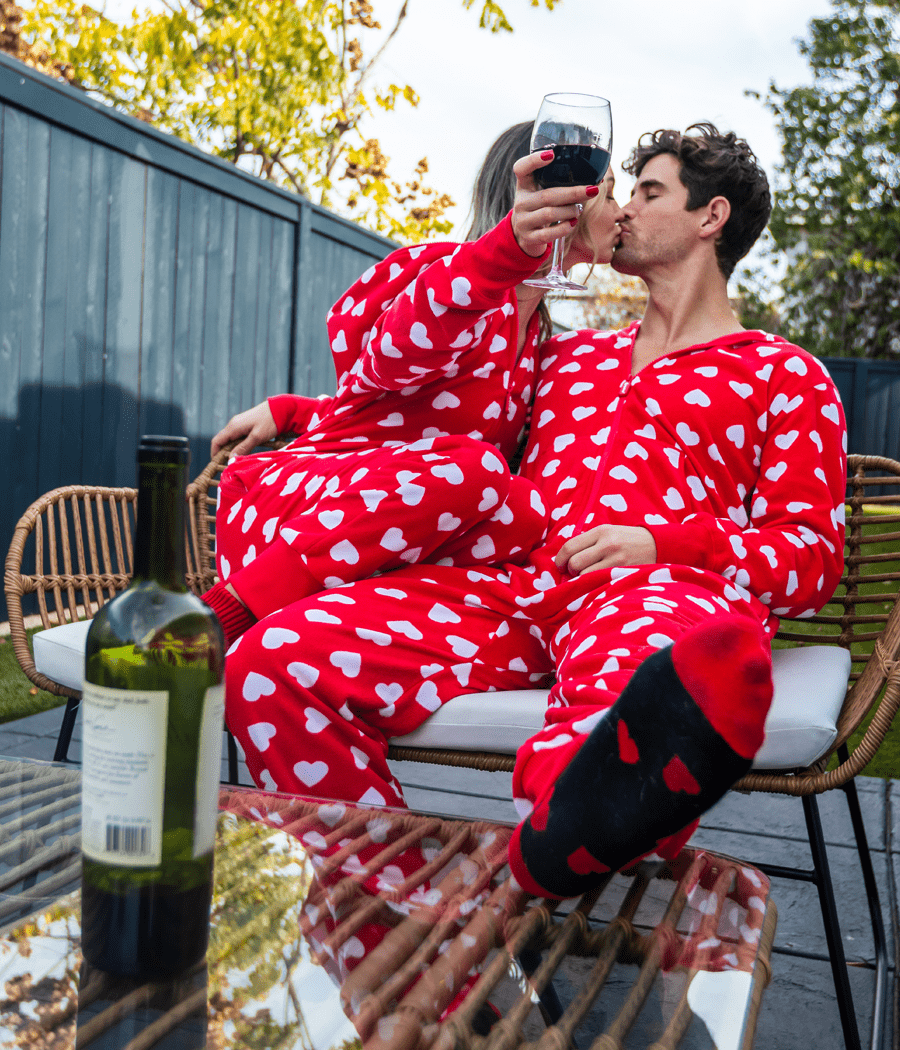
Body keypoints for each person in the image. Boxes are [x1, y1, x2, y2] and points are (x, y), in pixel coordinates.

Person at [224, 123, 847, 902]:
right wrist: (297, 411)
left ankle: (557, 841)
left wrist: (660, 546)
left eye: (648, 192)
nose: (621, 208)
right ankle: (398, 911)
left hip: (656, 594)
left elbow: (811, 558)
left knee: (641, 661)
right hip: (514, 591)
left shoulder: (785, 375)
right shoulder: (568, 355)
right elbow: (428, 418)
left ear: (710, 217)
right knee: (273, 660)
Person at [202, 122, 608, 646]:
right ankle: (224, 614)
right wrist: (508, 249)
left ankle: (342, 627)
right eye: (610, 192)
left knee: (525, 511)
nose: (621, 212)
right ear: (559, 198)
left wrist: (297, 411)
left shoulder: (535, 339)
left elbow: (398, 422)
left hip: (373, 551)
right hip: (296, 521)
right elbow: (389, 357)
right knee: (478, 468)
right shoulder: (457, 283)